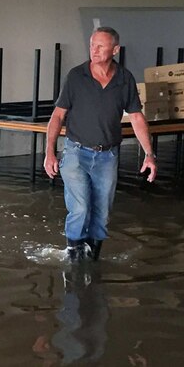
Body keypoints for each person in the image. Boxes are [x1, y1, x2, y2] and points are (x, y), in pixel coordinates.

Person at [43, 27, 157, 261]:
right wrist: (49, 153)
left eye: (100, 46)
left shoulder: (124, 79)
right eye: (92, 44)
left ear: (115, 50)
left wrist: (149, 154)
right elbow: (57, 115)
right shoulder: (76, 76)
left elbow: (136, 117)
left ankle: (92, 260)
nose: (93, 50)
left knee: (102, 214)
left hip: (107, 156)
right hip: (76, 152)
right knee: (81, 208)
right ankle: (74, 259)